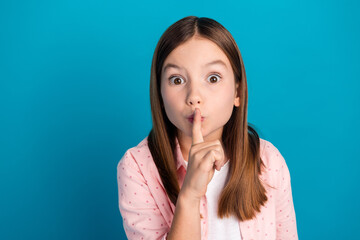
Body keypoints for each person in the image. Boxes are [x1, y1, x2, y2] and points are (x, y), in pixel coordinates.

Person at [117, 16, 298, 240]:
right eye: (176, 80)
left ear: (238, 93)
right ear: (160, 95)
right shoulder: (138, 168)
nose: (194, 97)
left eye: (213, 78)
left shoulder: (268, 161)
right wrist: (190, 195)